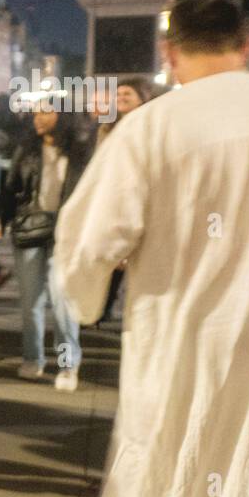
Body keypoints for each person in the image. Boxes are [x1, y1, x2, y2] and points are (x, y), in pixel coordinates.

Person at [55, 0, 249, 497]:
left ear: (168, 53)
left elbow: (86, 248)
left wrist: (89, 299)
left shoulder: (150, 130)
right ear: (247, 45)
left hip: (181, 366)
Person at [0, 101, 90, 390]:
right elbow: (10, 188)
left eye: (46, 112)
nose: (38, 118)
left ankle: (67, 363)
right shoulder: (27, 148)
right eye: (36, 113)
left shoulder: (82, 151)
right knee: (31, 302)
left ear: (64, 115)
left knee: (63, 301)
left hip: (66, 232)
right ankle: (33, 358)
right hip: (29, 228)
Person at [96, 77, 154, 322]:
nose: (121, 99)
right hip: (115, 197)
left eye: (127, 95)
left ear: (142, 98)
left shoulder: (152, 125)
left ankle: (144, 310)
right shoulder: (106, 127)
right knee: (113, 256)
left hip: (146, 197)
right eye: (118, 95)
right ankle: (103, 307)